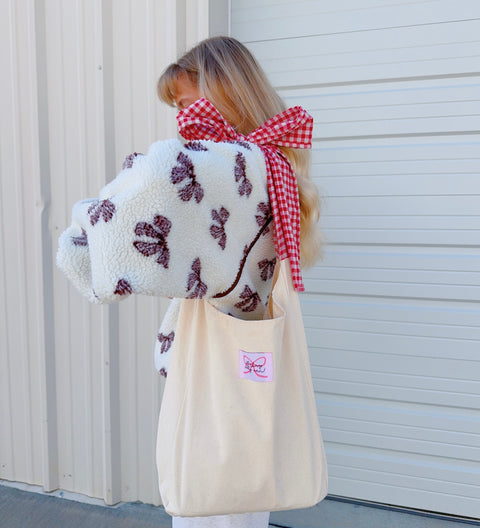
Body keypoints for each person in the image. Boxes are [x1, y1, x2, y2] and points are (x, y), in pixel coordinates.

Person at [57, 36, 321, 528]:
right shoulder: (271, 165)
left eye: (185, 102)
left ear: (227, 93)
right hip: (245, 357)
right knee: (243, 493)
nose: (181, 118)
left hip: (216, 368)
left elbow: (143, 196)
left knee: (211, 499)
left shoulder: (233, 165)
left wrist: (79, 235)